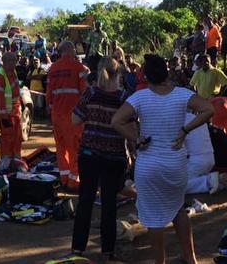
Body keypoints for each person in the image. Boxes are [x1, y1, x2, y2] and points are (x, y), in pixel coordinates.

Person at [112, 54, 214, 264]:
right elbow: (208, 109)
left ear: (147, 76)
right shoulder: (182, 94)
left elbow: (116, 121)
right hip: (175, 164)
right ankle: (191, 258)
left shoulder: (140, 97)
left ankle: (161, 262)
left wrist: (137, 138)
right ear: (166, 73)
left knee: (153, 219)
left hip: (148, 165)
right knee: (178, 209)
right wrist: (185, 130)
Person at [70, 57, 129, 262]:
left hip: (89, 154)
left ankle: (77, 249)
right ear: (118, 74)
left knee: (85, 200)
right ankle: (108, 252)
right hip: (114, 157)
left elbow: (75, 119)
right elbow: (131, 129)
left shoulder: (91, 93)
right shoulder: (123, 97)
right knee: (109, 204)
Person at [47, 41, 88, 189]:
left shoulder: (53, 68)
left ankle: (64, 177)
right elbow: (84, 91)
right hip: (73, 115)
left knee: (61, 147)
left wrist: (51, 108)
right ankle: (74, 180)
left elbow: (49, 93)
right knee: (76, 147)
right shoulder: (79, 67)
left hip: (57, 115)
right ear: (71, 50)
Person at [0, 52, 24, 170]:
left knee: (17, 137)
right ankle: (5, 165)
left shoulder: (12, 72)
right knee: (7, 138)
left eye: (15, 61)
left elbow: (15, 90)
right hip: (7, 113)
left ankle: (16, 161)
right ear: (6, 62)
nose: (15, 63)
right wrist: (4, 117)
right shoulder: (0, 76)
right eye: (13, 61)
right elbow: (0, 97)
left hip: (15, 111)